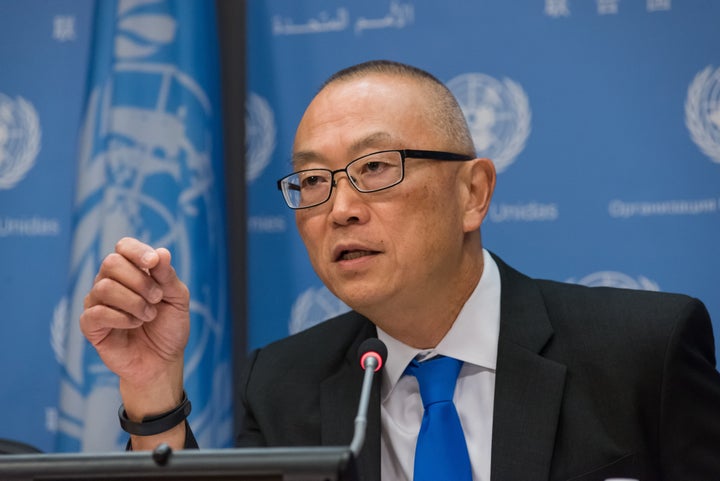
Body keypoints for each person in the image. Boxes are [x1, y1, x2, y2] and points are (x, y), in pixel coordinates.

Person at [81, 60, 720, 481]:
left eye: (376, 169)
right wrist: (153, 388)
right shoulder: (285, 383)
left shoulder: (642, 352)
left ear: (473, 193)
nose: (340, 210)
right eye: (311, 181)